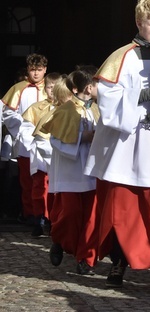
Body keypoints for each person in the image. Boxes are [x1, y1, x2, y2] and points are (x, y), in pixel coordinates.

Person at [85, 0, 150, 299]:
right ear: (139, 23)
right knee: (125, 213)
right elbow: (107, 101)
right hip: (130, 149)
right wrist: (144, 93)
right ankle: (119, 262)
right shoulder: (122, 57)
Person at [43, 66, 99, 275]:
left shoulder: (97, 108)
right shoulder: (66, 110)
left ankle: (86, 258)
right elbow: (56, 140)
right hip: (71, 170)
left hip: (92, 169)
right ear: (79, 88)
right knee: (70, 214)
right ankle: (59, 239)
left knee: (92, 217)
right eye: (92, 85)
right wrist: (81, 138)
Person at [2, 53, 48, 225]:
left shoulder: (51, 86)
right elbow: (7, 112)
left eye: (39, 70)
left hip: (47, 141)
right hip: (25, 143)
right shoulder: (19, 88)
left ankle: (45, 214)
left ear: (45, 69)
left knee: (45, 181)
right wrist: (20, 130)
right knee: (27, 181)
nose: (35, 74)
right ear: (28, 69)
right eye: (32, 70)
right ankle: (29, 214)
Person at [19, 72, 62, 237]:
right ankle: (38, 220)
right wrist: (35, 144)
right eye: (48, 87)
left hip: (58, 154)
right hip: (40, 155)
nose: (51, 91)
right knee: (39, 188)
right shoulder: (37, 108)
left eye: (54, 87)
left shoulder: (65, 108)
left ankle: (53, 220)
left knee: (54, 189)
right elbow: (25, 129)